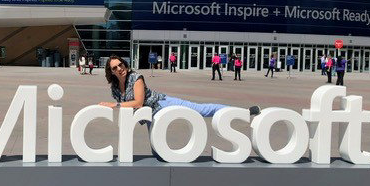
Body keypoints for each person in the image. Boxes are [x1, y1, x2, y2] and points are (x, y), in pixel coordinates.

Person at [98, 55, 260, 118]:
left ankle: (244, 112)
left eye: (121, 64)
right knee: (157, 149)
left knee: (200, 110)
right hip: (150, 116)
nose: (120, 68)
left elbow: (138, 102)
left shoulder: (135, 77)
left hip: (162, 104)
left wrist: (115, 105)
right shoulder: (115, 88)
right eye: (115, 68)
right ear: (111, 72)